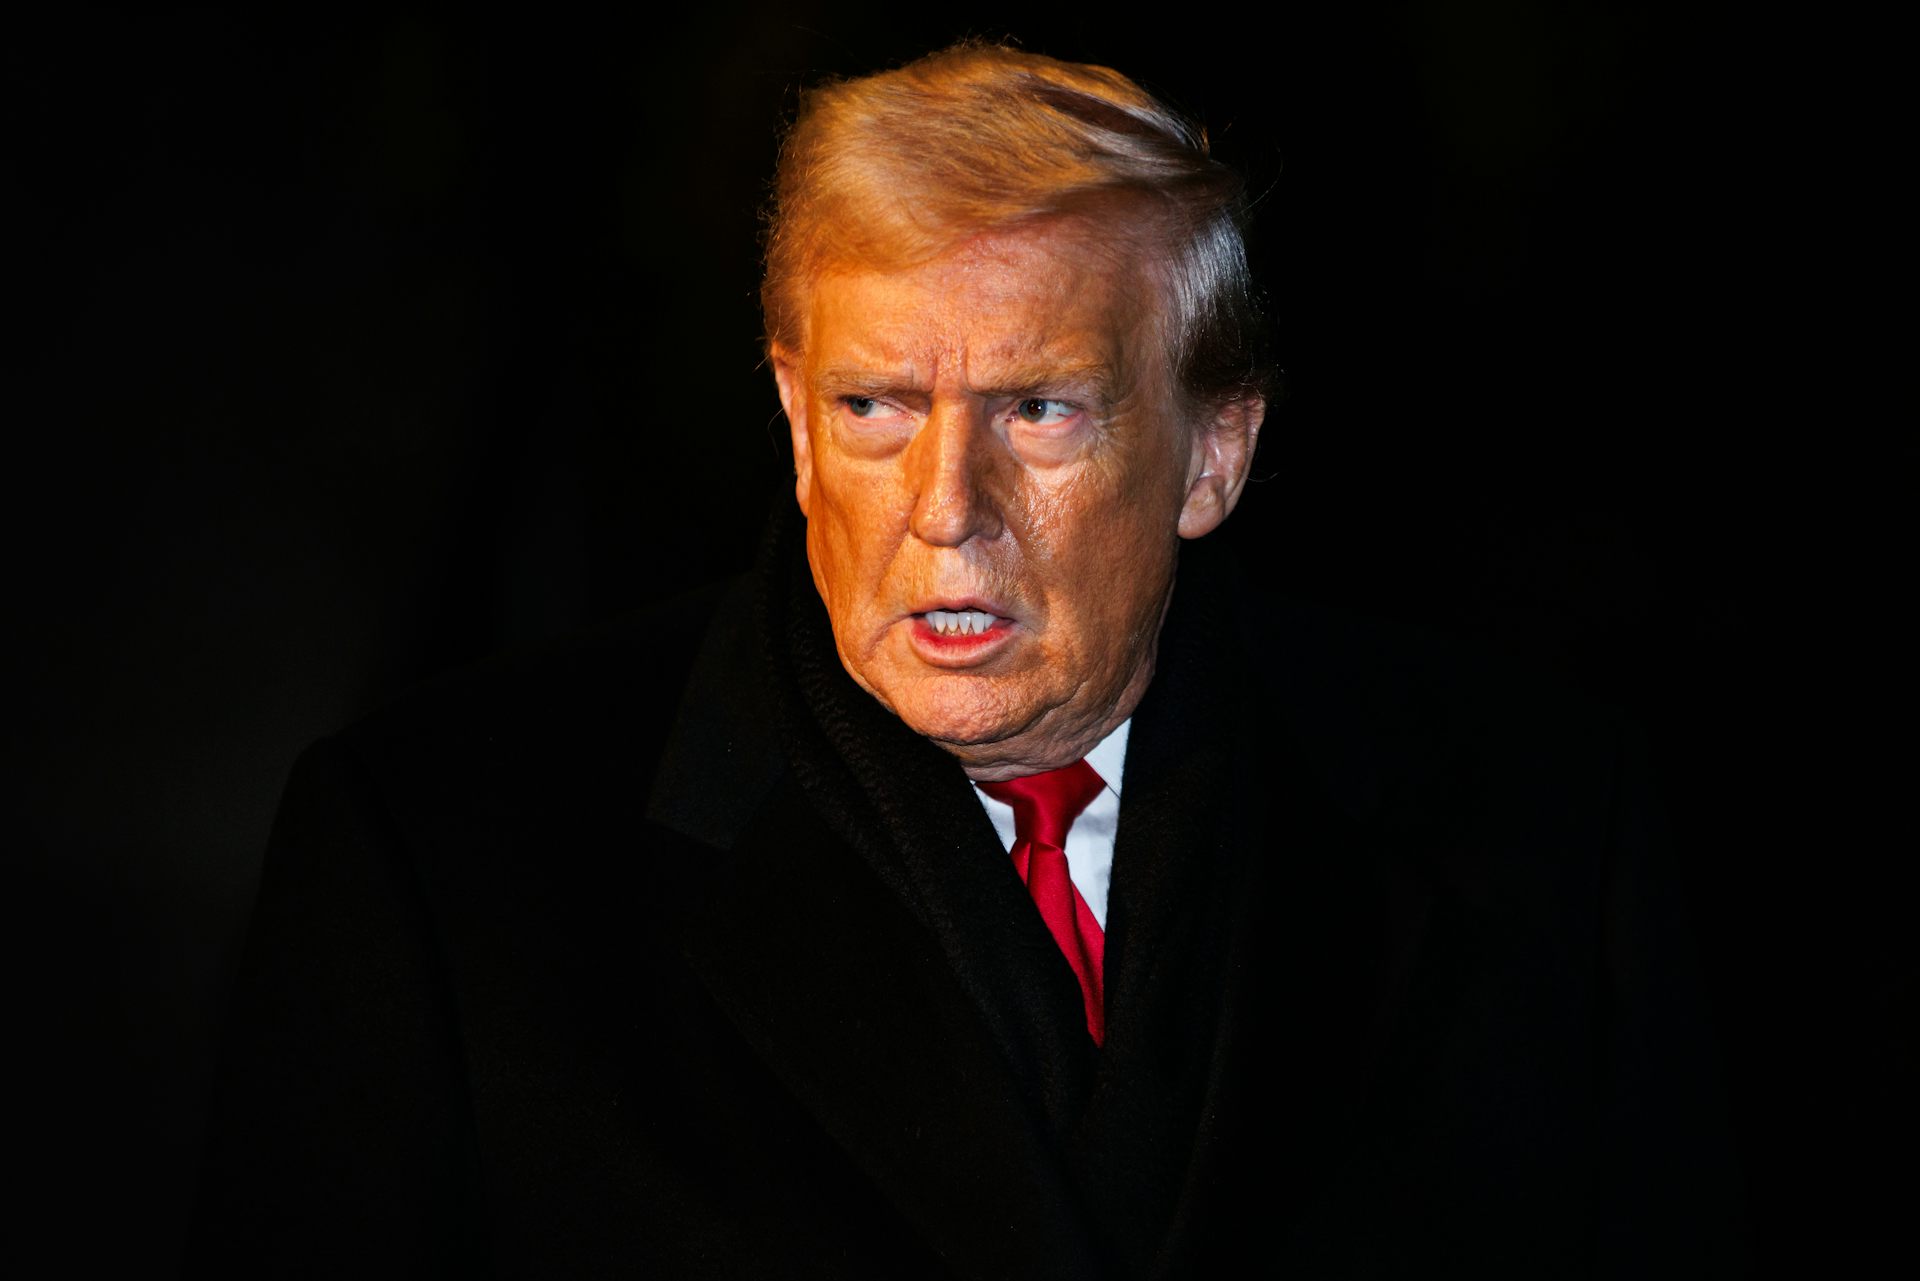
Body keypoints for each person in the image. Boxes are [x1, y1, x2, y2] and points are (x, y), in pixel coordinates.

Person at [186, 43, 1744, 1279]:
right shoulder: (442, 861)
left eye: (1040, 409)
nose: (947, 510)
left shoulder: (1544, 825)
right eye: (876, 407)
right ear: (794, 425)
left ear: (1216, 453)